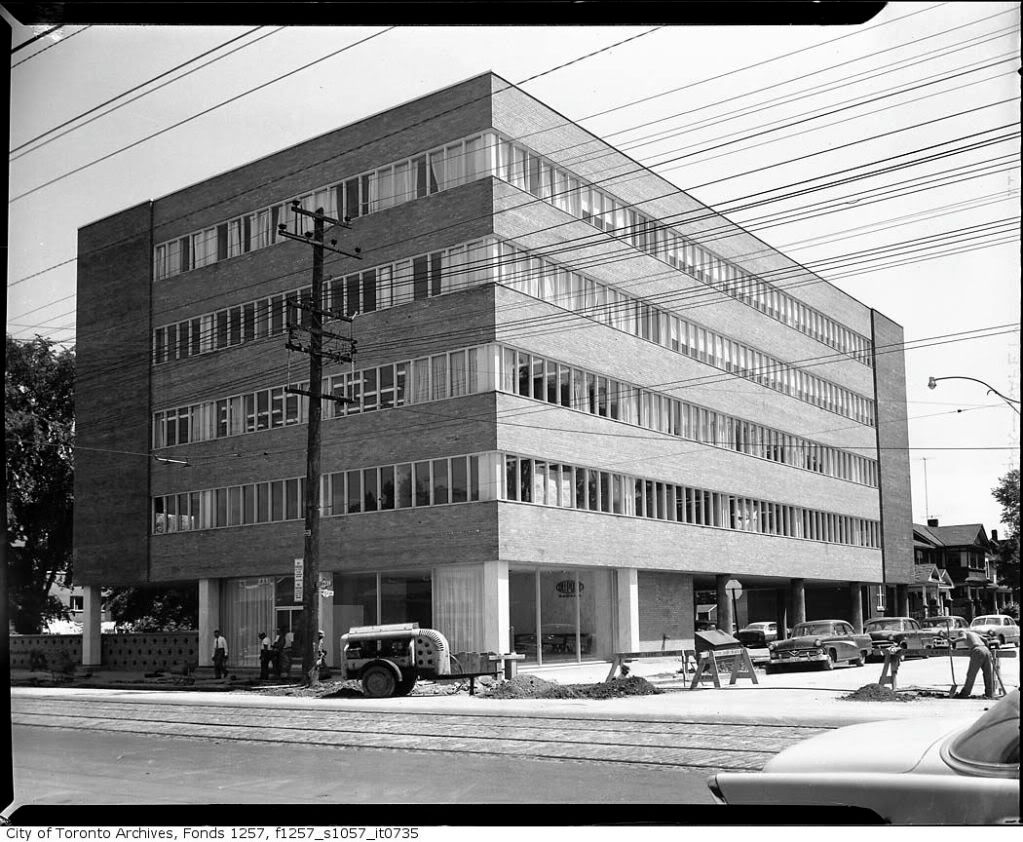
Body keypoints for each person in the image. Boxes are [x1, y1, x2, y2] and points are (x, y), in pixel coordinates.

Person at [956, 628, 995, 699]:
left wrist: (953, 641)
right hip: (986, 650)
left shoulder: (964, 633)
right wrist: (987, 649)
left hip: (977, 651)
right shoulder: (974, 634)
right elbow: (986, 640)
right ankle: (989, 693)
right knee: (988, 674)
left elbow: (964, 638)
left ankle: (965, 693)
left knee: (971, 673)